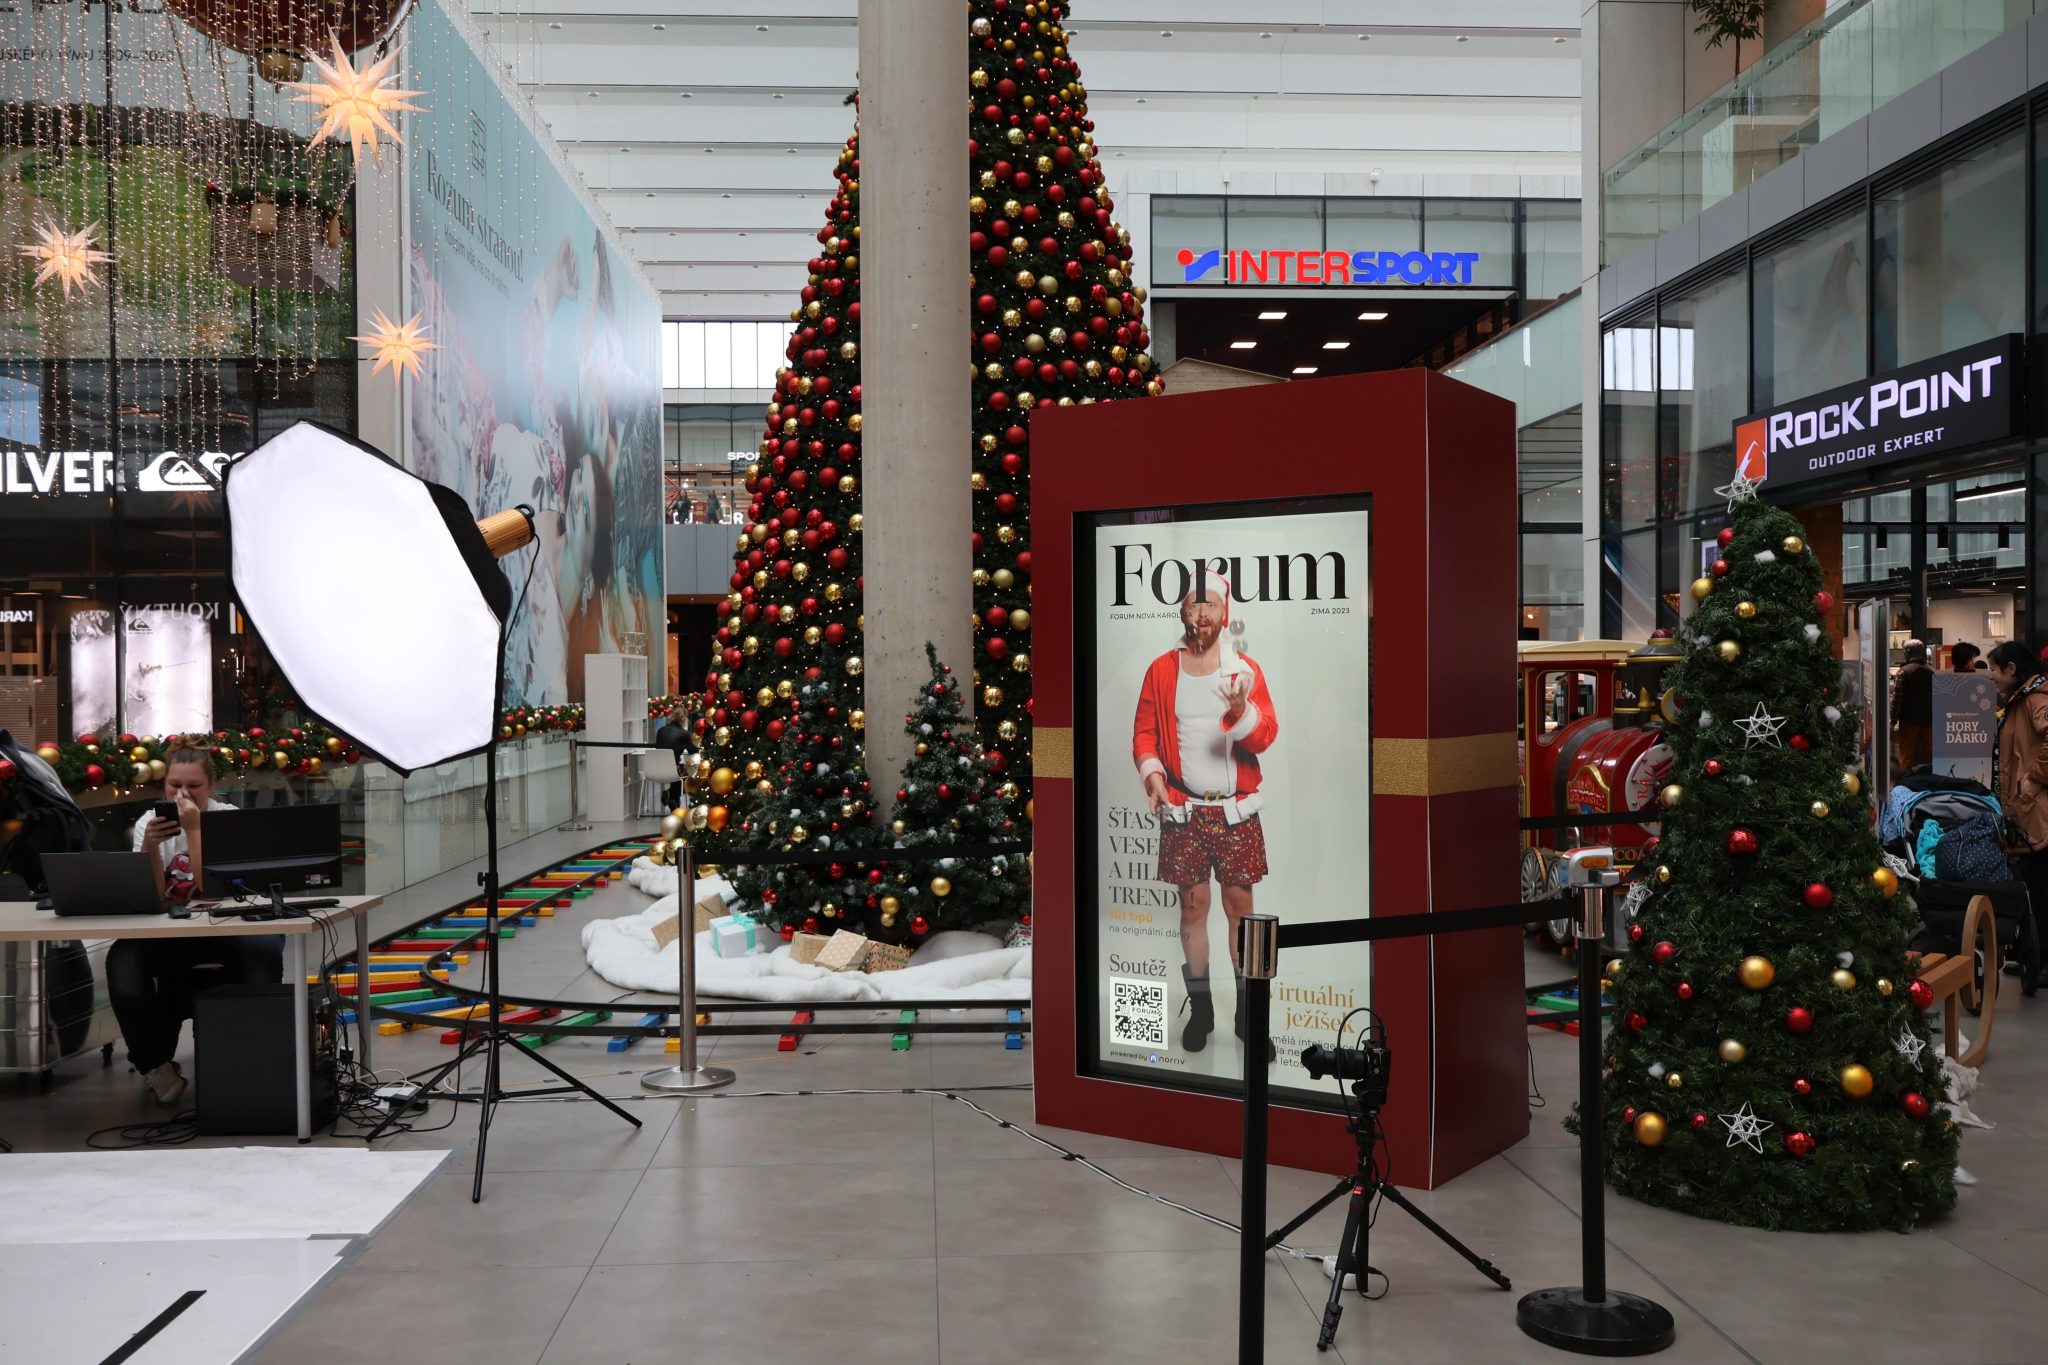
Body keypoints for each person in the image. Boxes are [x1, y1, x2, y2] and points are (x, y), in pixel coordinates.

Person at [1132, 572, 1279, 1062]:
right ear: (1182, 613)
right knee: (1192, 912)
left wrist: (1242, 712)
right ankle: (1202, 1012)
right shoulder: (1160, 669)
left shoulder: (1244, 670)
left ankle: (1248, 1018)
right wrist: (1153, 775)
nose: (1201, 616)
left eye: (1209, 606)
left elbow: (1265, 737)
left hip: (1235, 813)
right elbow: (1145, 734)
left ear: (1224, 613)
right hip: (1184, 812)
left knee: (1242, 913)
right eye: (1193, 607)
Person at [106, 748, 281, 1106]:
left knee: (264, 951)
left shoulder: (227, 817)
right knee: (122, 962)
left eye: (194, 786)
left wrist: (196, 829)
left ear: (212, 785)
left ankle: (250, 1057)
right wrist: (149, 848)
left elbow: (217, 888)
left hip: (228, 928)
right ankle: (154, 1064)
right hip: (168, 931)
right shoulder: (148, 822)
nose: (182, 795)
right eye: (174, 785)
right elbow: (152, 895)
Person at [1990, 642, 2048, 969]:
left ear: (2012, 669)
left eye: (1995, 669)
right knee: (2031, 887)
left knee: (2040, 887)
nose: (1992, 676)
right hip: (2027, 808)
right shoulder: (2021, 700)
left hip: (2038, 809)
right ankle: (2032, 957)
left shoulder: (2035, 700)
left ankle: (2042, 961)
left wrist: (2033, 779)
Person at [1892, 640, 1934, 770]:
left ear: (1908, 653)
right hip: (1929, 719)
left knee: (1907, 755)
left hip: (1909, 720)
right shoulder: (1932, 671)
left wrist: (1893, 720)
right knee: (1930, 753)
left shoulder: (1902, 672)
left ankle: (1905, 783)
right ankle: (1933, 781)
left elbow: (1897, 700)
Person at [653, 707, 690, 811]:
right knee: (687, 773)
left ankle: (673, 801)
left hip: (657, 769)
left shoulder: (660, 731)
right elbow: (694, 752)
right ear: (684, 719)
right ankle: (671, 794)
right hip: (675, 769)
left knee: (678, 773)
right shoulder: (684, 733)